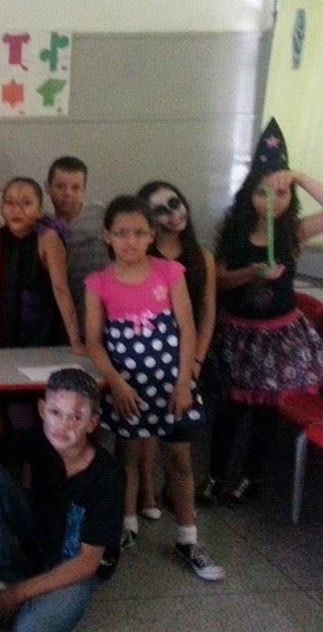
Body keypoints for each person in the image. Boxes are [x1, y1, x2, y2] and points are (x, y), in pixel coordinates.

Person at [85, 195, 223, 580]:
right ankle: (126, 526)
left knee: (179, 460)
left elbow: (187, 328)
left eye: (139, 233)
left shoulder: (169, 272)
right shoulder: (98, 283)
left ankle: (188, 537)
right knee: (128, 456)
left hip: (172, 385)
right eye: (121, 233)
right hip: (128, 389)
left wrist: (185, 381)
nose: (130, 241)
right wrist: (116, 384)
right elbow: (94, 341)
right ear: (107, 236)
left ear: (151, 235)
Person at [0, 369, 123, 632]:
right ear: (42, 410)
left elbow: (87, 563)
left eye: (76, 417)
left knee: (28, 627)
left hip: (76, 566)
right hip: (42, 536)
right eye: (55, 412)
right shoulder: (42, 440)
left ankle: (21, 586)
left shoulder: (107, 475)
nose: (63, 426)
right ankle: (0, 575)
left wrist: (18, 594)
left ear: (92, 423)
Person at [203, 119, 323, 504]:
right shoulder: (233, 234)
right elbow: (217, 282)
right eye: (262, 192)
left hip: (279, 338)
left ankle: (251, 478)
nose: (271, 201)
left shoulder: (294, 234)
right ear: (248, 194)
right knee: (230, 411)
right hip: (238, 336)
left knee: (266, 414)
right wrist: (251, 273)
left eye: (281, 193)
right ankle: (215, 475)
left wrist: (298, 176)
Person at [135, 181, 216, 520]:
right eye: (160, 210)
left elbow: (207, 313)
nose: (172, 213)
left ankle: (178, 499)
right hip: (149, 357)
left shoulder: (202, 257)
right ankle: (146, 491)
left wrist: (195, 362)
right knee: (145, 437)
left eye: (175, 202)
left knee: (179, 443)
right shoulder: (142, 258)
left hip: (188, 358)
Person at [0, 176, 84, 353]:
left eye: (26, 203)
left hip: (43, 331)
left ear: (39, 211)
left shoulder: (47, 238)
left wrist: (75, 341)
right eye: (9, 202)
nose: (16, 210)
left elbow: (61, 290)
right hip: (6, 328)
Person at [45, 156, 108, 328]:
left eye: (75, 187)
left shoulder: (102, 214)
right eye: (60, 186)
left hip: (105, 306)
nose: (67, 193)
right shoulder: (44, 225)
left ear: (84, 190)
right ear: (47, 188)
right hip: (64, 312)